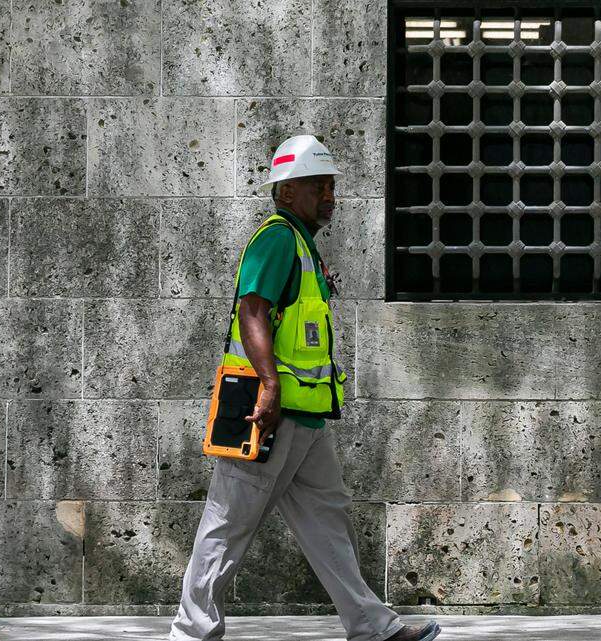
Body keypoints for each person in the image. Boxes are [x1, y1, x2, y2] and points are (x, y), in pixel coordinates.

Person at [167, 135, 441, 641]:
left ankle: (372, 627)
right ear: (288, 191)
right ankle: (191, 632)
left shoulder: (301, 245)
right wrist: (269, 386)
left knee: (327, 521)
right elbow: (252, 311)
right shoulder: (275, 239)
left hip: (304, 417)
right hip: (267, 410)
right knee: (229, 523)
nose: (330, 196)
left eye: (332, 186)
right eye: (320, 186)